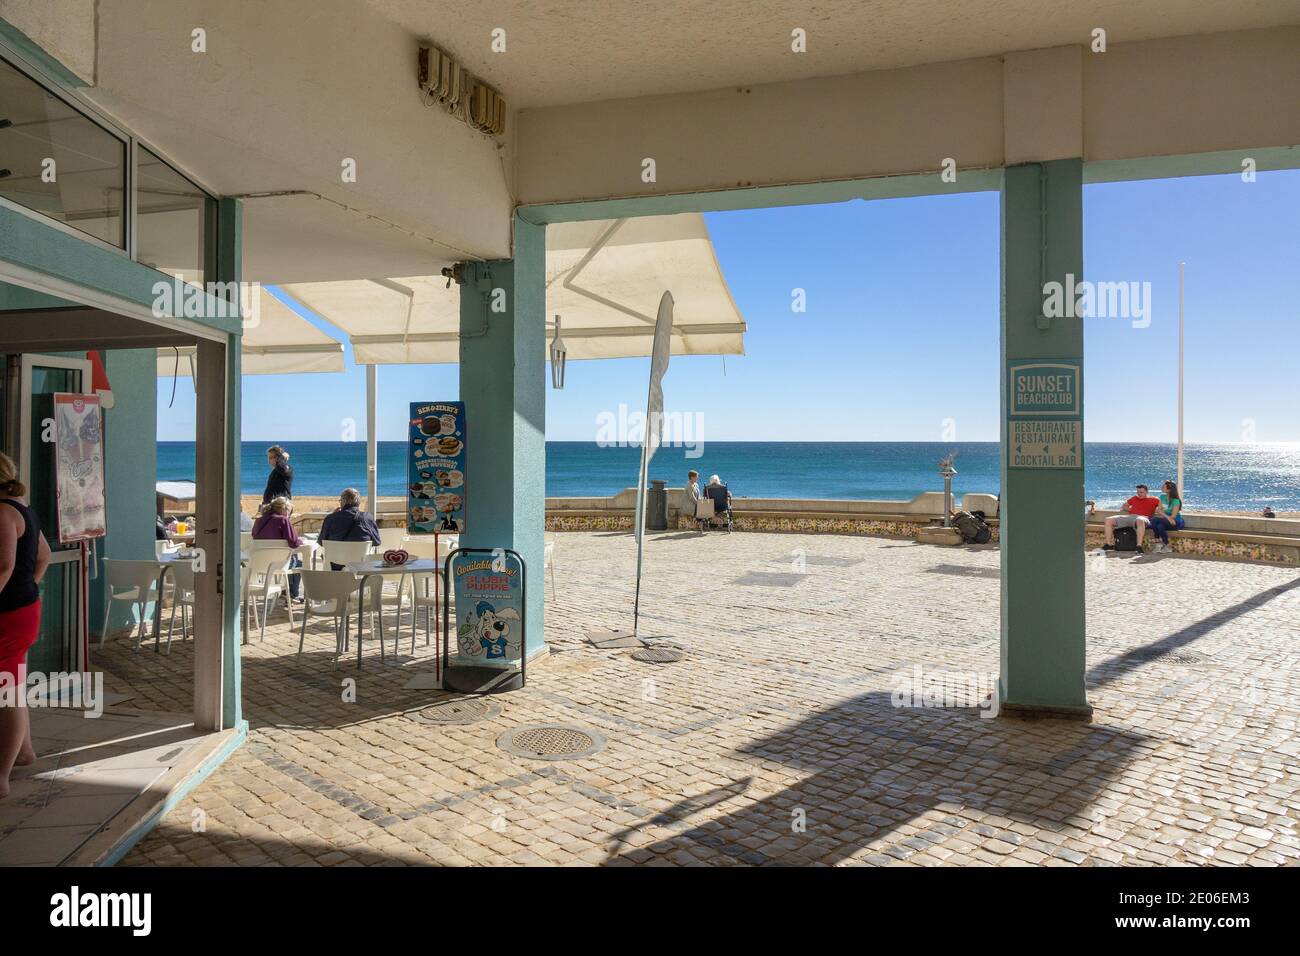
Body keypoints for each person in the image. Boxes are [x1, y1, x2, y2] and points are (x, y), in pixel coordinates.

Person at [0, 452, 51, 798]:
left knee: (8, 691)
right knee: (12, 682)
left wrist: (16, 589)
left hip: (10, 612)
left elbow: (3, 565)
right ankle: (24, 751)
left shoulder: (3, 511)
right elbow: (44, 555)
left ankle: (0, 776)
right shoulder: (23, 509)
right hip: (24, 608)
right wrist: (28, 586)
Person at [251, 496, 304, 600]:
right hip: (279, 565)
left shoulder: (258, 521)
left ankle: (288, 593)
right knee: (298, 562)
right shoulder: (283, 520)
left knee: (294, 560)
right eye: (289, 511)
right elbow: (293, 543)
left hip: (259, 564)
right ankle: (292, 594)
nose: (289, 514)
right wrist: (301, 541)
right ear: (283, 508)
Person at [320, 488, 381, 569]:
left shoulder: (330, 518)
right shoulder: (367, 518)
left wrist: (332, 516)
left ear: (344, 501)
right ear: (358, 502)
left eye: (340, 500)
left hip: (334, 566)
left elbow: (321, 542)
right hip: (361, 566)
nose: (340, 502)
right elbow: (377, 542)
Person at [1103, 484, 1161, 551]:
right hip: (1131, 517)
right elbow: (1124, 506)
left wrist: (1157, 511)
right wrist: (1132, 510)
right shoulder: (1134, 498)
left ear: (1147, 492)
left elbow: (1163, 507)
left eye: (1141, 492)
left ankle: (1139, 546)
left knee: (1139, 519)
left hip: (1143, 518)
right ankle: (1109, 544)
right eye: (1138, 492)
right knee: (1108, 519)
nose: (1139, 494)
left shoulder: (1154, 499)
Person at [1148, 480, 1185, 553]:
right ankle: (1166, 545)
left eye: (1163, 487)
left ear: (1169, 490)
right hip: (1167, 520)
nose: (1161, 487)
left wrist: (1165, 515)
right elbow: (1158, 511)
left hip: (1176, 522)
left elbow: (1173, 516)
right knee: (1159, 526)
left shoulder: (1176, 501)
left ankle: (1158, 542)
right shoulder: (1162, 497)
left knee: (1154, 520)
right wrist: (1166, 517)